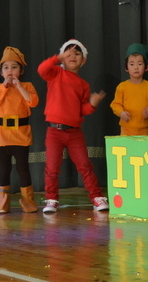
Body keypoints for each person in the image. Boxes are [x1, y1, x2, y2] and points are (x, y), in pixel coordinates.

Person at [38, 39, 108, 214]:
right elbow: (41, 69)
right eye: (69, 53)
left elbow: (81, 110)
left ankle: (96, 197)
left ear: (83, 61)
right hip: (54, 131)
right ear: (62, 58)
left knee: (85, 166)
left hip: (74, 132)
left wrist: (92, 104)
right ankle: (52, 200)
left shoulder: (83, 85)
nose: (73, 56)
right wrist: (58, 57)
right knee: (52, 168)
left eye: (77, 54)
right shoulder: (55, 73)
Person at [0, 47, 39, 213]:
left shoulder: (28, 86)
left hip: (21, 135)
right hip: (3, 136)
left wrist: (19, 87)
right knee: (4, 169)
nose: (10, 71)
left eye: (14, 67)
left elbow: (33, 102)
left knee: (23, 169)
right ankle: (2, 203)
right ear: (1, 72)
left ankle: (28, 201)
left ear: (21, 71)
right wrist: (4, 87)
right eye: (6, 68)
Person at [110, 43, 148, 136]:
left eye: (140, 64)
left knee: (142, 150)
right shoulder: (122, 87)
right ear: (126, 68)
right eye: (131, 64)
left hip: (144, 130)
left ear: (146, 67)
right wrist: (121, 113)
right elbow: (115, 104)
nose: (136, 67)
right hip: (126, 129)